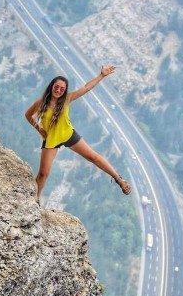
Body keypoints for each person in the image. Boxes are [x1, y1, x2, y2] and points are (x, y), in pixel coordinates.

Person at [25, 65, 131, 200]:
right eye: (56, 87)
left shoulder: (67, 99)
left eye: (62, 89)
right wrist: (40, 129)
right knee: (43, 174)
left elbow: (86, 88)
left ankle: (119, 179)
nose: (58, 90)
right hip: (51, 139)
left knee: (93, 157)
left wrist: (101, 75)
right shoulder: (40, 103)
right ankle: (35, 200)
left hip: (68, 134)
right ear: (51, 86)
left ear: (65, 91)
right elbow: (28, 115)